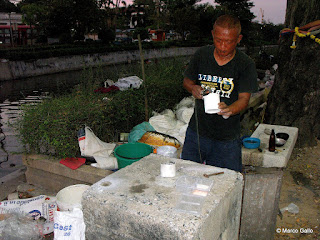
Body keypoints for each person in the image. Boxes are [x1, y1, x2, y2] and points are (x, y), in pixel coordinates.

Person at [181, 15, 258, 172]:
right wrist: (193, 88)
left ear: (238, 39)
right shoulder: (202, 56)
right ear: (212, 35)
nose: (223, 46)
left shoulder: (245, 64)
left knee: (226, 180)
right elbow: (187, 82)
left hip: (227, 138)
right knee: (187, 175)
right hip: (197, 133)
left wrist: (230, 109)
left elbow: (244, 99)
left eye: (229, 41)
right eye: (218, 40)